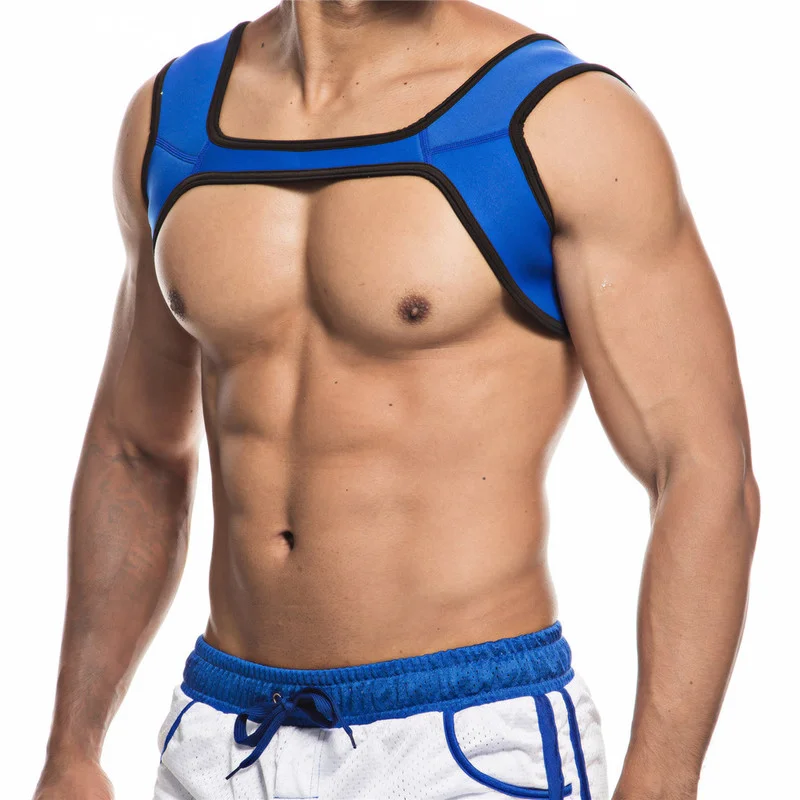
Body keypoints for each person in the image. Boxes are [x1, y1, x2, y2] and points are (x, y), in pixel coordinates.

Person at [33, 1, 760, 799]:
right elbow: (135, 450)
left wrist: (661, 780)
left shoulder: (563, 121)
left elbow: (702, 466)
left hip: (466, 740)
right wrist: (73, 748)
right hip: (225, 733)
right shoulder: (173, 120)